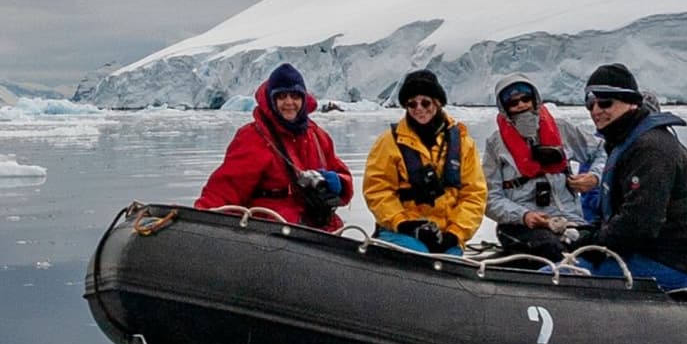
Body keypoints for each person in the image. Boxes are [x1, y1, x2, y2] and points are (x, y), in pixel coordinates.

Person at [574, 62, 687, 290]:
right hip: (646, 254)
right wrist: (584, 234)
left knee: (556, 275)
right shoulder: (626, 143)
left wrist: (591, 243)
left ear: (631, 103)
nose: (596, 110)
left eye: (605, 102)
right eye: (590, 103)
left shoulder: (651, 150)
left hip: (666, 262)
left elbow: (639, 224)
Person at [195, 62, 352, 228]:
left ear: (304, 99)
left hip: (320, 226)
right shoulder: (254, 138)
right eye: (282, 96)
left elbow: (344, 176)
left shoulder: (318, 136)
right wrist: (200, 219)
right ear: (272, 100)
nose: (289, 102)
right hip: (271, 230)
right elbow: (226, 187)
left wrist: (339, 182)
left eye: (295, 96)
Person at [361, 70, 487, 254]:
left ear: (437, 102)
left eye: (425, 102)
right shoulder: (388, 142)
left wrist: (455, 234)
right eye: (412, 104)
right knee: (418, 253)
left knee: (450, 257)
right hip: (402, 231)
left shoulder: (463, 144)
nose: (419, 108)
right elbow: (377, 190)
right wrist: (402, 223)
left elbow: (474, 195)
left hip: (445, 235)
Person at [479, 79, 602, 257]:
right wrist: (524, 215)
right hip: (520, 226)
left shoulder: (562, 130)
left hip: (570, 222)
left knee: (597, 250)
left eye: (526, 99)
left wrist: (595, 177)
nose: (521, 105)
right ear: (504, 108)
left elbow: (603, 150)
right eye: (513, 103)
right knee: (553, 249)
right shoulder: (496, 145)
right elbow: (489, 197)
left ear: (535, 99)